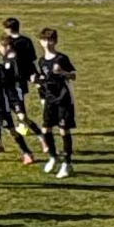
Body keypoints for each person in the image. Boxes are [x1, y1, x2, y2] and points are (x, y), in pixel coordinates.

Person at [34, 27, 77, 179]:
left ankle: (67, 163)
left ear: (56, 41)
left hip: (63, 99)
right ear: (41, 42)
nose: (48, 43)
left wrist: (63, 73)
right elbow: (44, 78)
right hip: (49, 99)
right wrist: (37, 80)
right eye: (45, 40)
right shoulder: (42, 61)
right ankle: (53, 157)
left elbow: (73, 75)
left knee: (64, 130)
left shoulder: (61, 59)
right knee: (46, 129)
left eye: (51, 40)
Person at [0, 36, 43, 146]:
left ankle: (40, 135)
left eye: (0, 47)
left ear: (7, 47)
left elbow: (20, 74)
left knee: (22, 116)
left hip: (16, 89)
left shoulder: (16, 60)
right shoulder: (6, 59)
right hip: (7, 91)